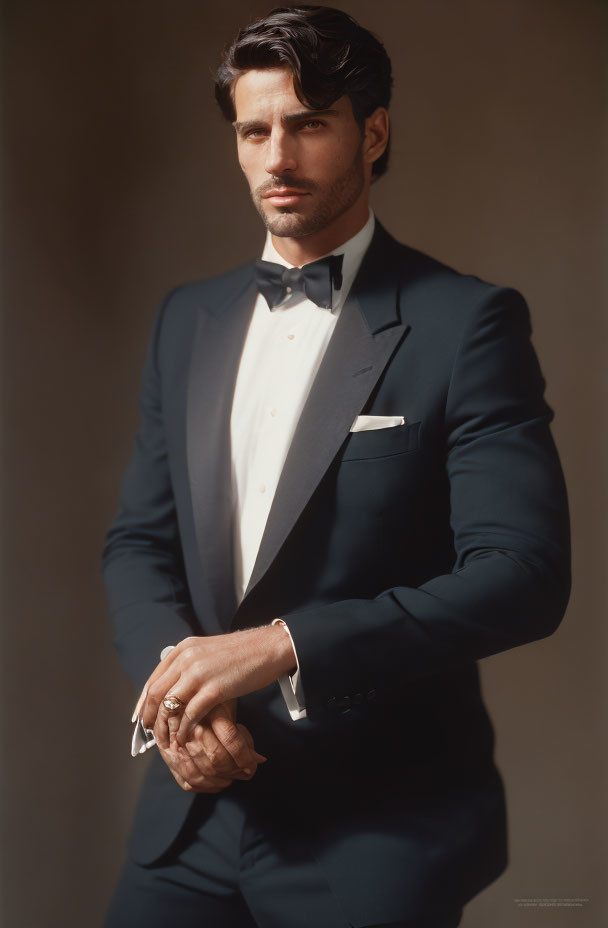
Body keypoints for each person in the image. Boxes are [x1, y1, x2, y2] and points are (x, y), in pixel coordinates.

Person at [102, 6, 571, 927]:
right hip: (192, 814)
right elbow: (138, 543)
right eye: (254, 130)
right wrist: (180, 700)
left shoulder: (467, 324)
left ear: (374, 132)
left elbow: (523, 578)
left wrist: (283, 646)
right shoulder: (185, 321)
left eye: (308, 124)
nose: (276, 157)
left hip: (376, 822)